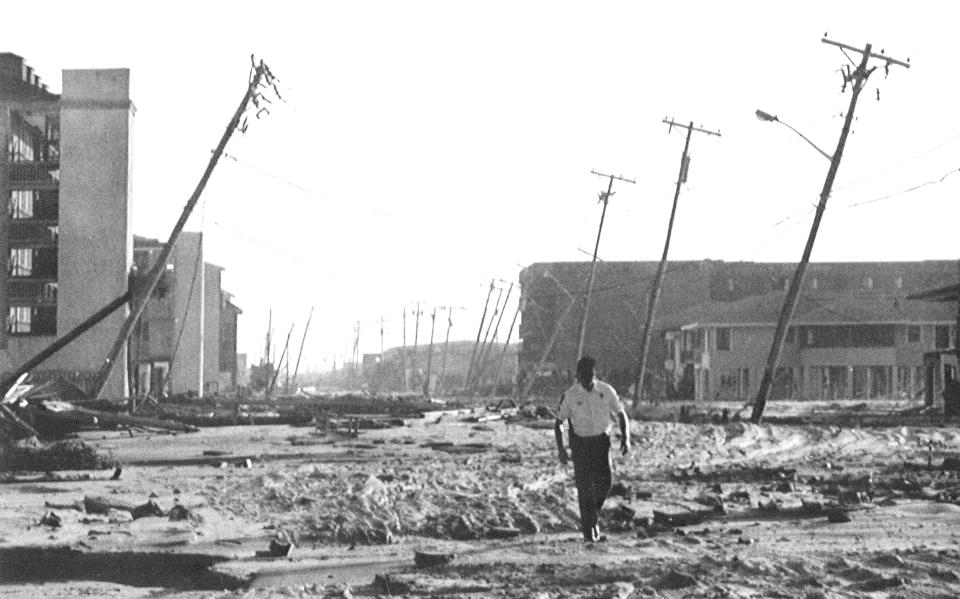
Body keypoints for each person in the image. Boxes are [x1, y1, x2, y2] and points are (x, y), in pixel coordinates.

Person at [554, 356, 631, 542]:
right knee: (584, 488)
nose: (588, 380)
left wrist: (626, 438)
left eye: (591, 375)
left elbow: (621, 415)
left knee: (605, 483)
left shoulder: (606, 391)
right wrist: (561, 449)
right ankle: (588, 529)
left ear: (595, 374)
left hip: (601, 443)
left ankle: (593, 515)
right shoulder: (570, 395)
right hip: (580, 445)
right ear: (578, 375)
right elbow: (558, 422)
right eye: (584, 376)